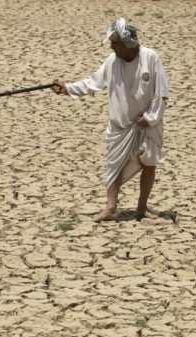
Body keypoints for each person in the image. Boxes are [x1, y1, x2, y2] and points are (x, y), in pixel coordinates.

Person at [51, 18, 169, 222]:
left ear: (127, 44)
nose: (111, 46)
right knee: (113, 167)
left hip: (146, 126)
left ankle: (142, 207)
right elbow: (93, 83)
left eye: (114, 42)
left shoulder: (151, 58)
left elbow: (162, 93)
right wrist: (68, 88)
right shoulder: (112, 62)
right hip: (120, 128)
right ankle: (111, 208)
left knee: (149, 163)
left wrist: (149, 118)